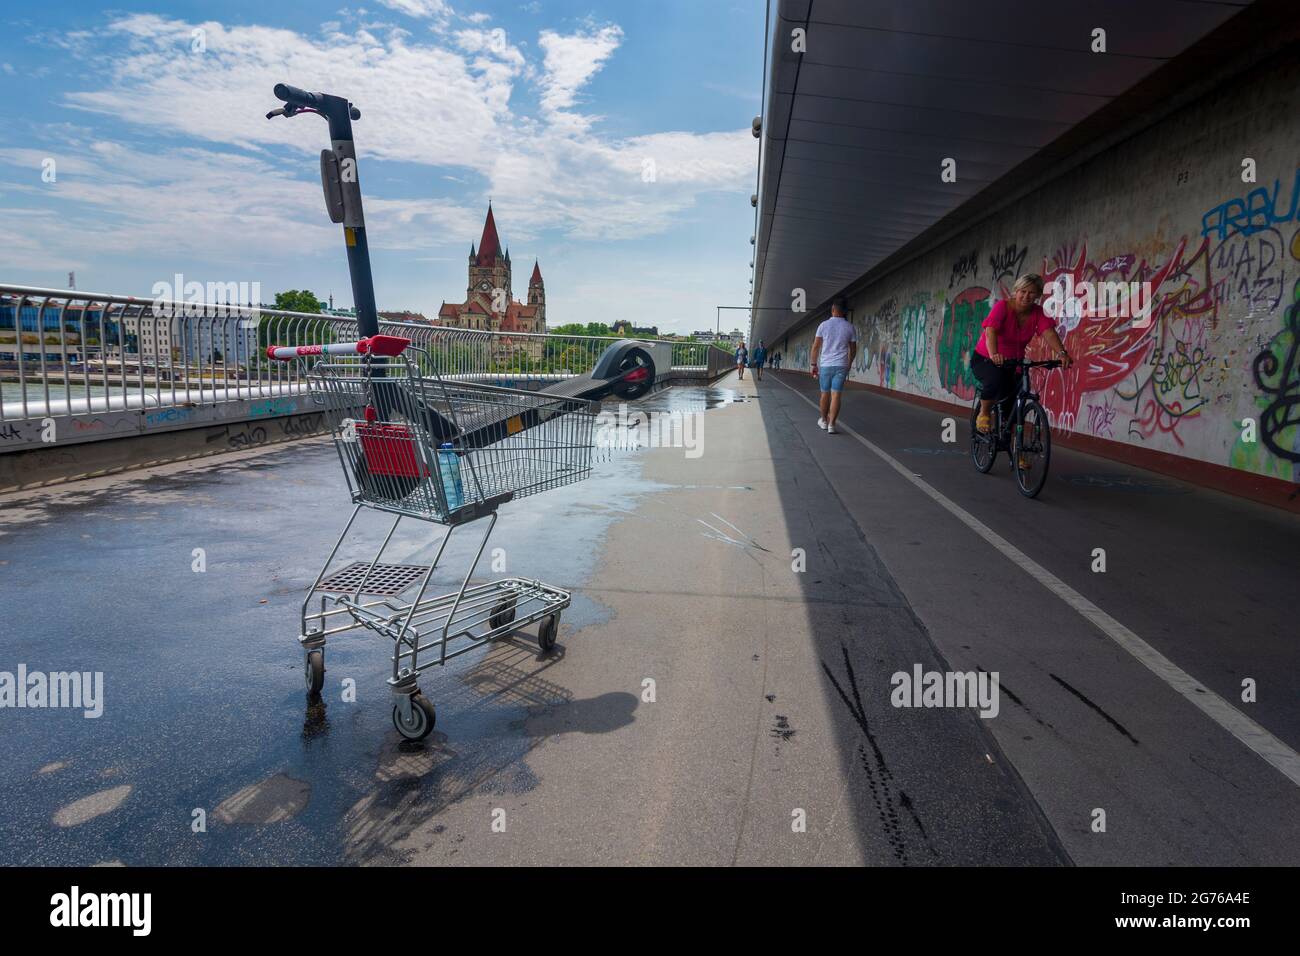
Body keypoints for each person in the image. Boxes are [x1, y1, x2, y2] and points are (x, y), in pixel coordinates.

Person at [970, 273, 1071, 435]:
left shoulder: (1038, 313)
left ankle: (1018, 452)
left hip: (1014, 363)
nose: (1026, 296)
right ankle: (984, 413)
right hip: (986, 358)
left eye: (1031, 292)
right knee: (995, 379)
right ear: (1015, 291)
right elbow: (991, 332)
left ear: (1038, 295)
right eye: (1022, 291)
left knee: (1016, 405)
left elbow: (1049, 333)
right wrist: (994, 354)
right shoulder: (1002, 307)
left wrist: (1062, 353)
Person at [809, 299, 857, 434]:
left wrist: (813, 364)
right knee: (836, 395)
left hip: (825, 365)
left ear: (833, 310)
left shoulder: (823, 325)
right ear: (844, 311)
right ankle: (832, 425)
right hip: (841, 365)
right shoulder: (850, 327)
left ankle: (823, 421)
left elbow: (816, 347)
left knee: (825, 394)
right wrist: (849, 363)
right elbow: (853, 349)